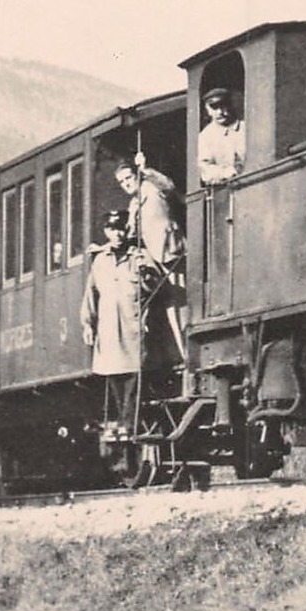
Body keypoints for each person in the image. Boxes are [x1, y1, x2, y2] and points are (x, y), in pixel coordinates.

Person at [114, 158, 188, 363]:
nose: (126, 184)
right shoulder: (134, 203)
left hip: (173, 252)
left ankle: (189, 350)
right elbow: (130, 232)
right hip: (156, 260)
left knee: (182, 302)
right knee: (171, 307)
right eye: (121, 182)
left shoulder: (152, 187)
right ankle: (183, 353)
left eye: (128, 177)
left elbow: (169, 186)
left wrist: (145, 169)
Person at [79, 209, 141, 424]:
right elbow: (91, 294)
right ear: (107, 231)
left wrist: (147, 274)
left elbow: (152, 288)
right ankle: (122, 422)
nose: (118, 234)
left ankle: (129, 423)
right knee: (113, 375)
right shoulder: (100, 261)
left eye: (121, 229)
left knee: (134, 376)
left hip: (132, 325)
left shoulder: (137, 257)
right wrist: (87, 324)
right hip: (109, 327)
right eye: (113, 229)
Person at [197, 87, 246, 185]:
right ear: (208, 110)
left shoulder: (245, 128)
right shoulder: (206, 136)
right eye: (214, 107)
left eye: (223, 106)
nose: (220, 112)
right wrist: (226, 173)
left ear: (230, 105)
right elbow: (205, 170)